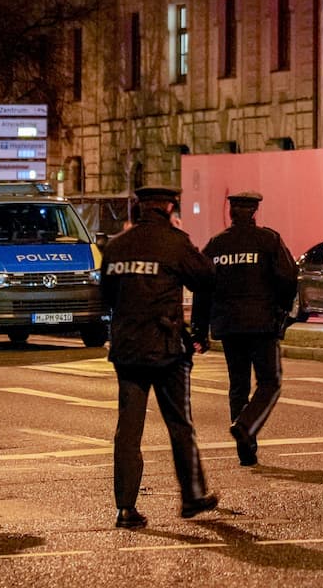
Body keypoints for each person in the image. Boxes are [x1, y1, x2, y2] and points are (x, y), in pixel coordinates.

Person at [102, 184, 218, 528]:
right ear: (168, 207)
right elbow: (206, 278)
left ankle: (125, 507)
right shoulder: (175, 242)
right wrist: (199, 329)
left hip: (127, 349)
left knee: (128, 430)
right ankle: (192, 496)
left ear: (140, 208)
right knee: (179, 424)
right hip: (166, 348)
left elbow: (106, 295)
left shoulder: (117, 245)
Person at [201, 190, 299, 466]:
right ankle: (245, 424)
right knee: (270, 382)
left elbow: (202, 286)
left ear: (231, 213)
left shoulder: (217, 244)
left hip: (229, 325)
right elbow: (289, 277)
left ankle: (246, 449)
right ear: (254, 212)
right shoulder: (269, 240)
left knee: (238, 386)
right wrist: (281, 308)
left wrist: (201, 327)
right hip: (262, 324)